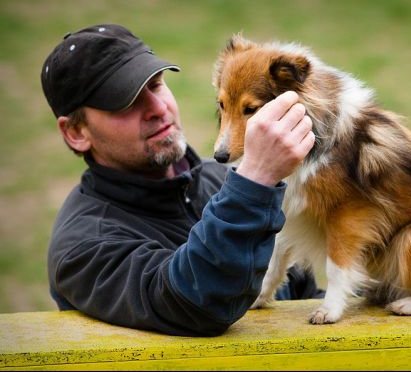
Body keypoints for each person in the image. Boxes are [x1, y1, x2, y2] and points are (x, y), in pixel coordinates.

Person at [41, 24, 322, 336]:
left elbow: (303, 290)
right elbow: (198, 303)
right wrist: (256, 178)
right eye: (126, 101)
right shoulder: (83, 246)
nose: (158, 109)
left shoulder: (223, 180)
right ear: (76, 133)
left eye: (157, 85)